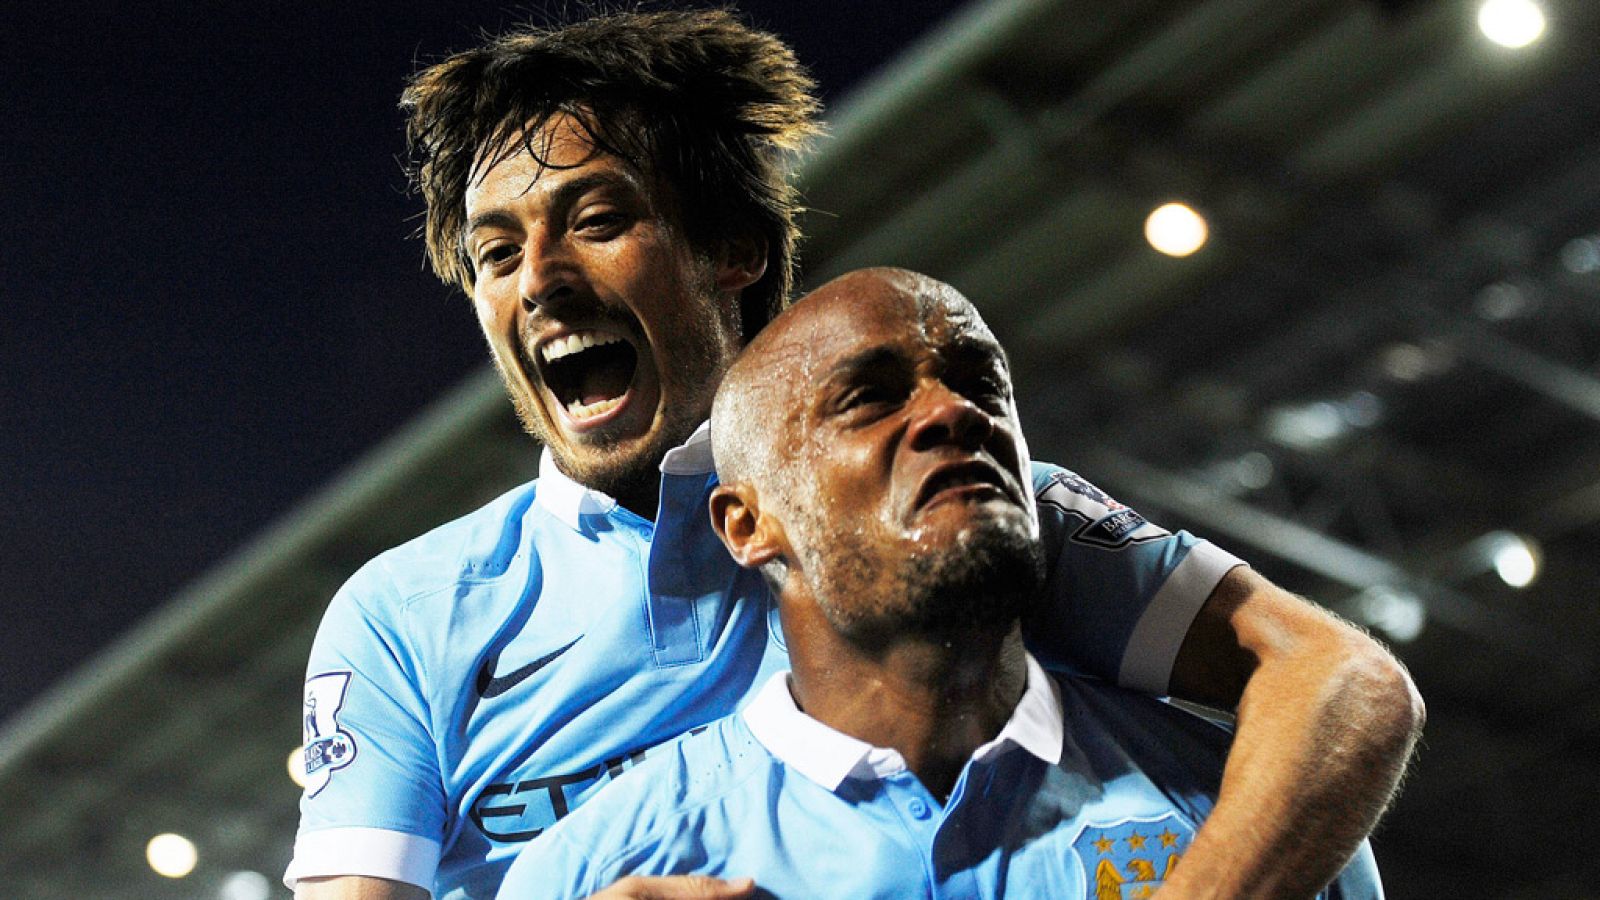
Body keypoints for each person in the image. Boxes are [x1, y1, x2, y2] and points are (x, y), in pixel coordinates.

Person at [287, 10, 1422, 900]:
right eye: (495, 252)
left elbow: (1338, 679)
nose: (537, 279)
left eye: (594, 220)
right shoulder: (409, 615)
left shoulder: (947, 509)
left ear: (731, 250)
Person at [494, 267, 1388, 899]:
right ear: (747, 525)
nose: (952, 411)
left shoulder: (1255, 810)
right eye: (870, 399)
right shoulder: (601, 871)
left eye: (979, 384)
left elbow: (1349, 677)